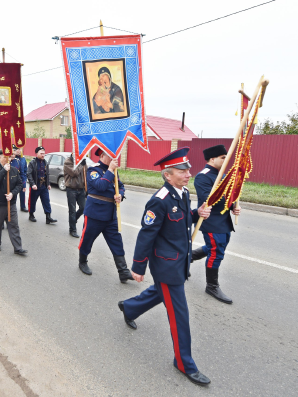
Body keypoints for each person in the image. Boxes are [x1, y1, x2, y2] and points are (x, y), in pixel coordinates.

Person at [118, 147, 212, 386]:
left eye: (188, 169)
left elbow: (181, 218)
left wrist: (197, 212)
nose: (188, 173)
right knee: (180, 315)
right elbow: (146, 235)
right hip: (167, 266)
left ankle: (130, 308)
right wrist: (138, 267)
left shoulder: (181, 193)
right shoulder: (159, 201)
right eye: (182, 170)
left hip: (177, 260)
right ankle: (184, 363)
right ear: (168, 175)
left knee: (160, 294)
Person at [191, 144, 241, 304]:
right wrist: (229, 202)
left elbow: (230, 195)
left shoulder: (223, 175)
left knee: (218, 246)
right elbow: (209, 200)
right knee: (216, 251)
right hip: (211, 220)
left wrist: (234, 206)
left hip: (223, 219)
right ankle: (212, 286)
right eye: (223, 158)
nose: (226, 161)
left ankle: (188, 257)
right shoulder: (203, 176)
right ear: (212, 159)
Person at [77, 149, 132, 282]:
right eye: (111, 156)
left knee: (116, 242)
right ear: (102, 156)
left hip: (110, 215)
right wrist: (110, 170)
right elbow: (100, 186)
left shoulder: (113, 171)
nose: (114, 159)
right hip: (95, 214)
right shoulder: (93, 170)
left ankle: (123, 271)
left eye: (115, 156)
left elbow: (121, 186)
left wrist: (121, 195)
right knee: (87, 240)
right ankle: (82, 261)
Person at [0, 149, 26, 255]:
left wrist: (12, 194)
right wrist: (4, 171)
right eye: (5, 157)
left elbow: (19, 184)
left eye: (9, 157)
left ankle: (18, 247)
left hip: (11, 203)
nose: (7, 159)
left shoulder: (14, 170)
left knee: (14, 225)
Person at [26, 147, 57, 224]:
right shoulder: (32, 163)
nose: (43, 155)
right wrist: (32, 184)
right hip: (35, 186)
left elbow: (47, 174)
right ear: (36, 153)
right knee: (32, 201)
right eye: (41, 153)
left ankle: (48, 217)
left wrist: (48, 184)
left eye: (44, 153)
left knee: (46, 201)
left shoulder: (45, 162)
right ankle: (31, 215)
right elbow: (29, 174)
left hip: (43, 186)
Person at [63, 154, 87, 238]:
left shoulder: (82, 162)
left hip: (81, 189)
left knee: (83, 208)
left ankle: (73, 220)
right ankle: (72, 230)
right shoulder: (68, 162)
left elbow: (85, 174)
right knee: (72, 210)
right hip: (71, 189)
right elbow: (74, 173)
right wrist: (81, 164)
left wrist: (87, 188)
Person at [11, 145, 28, 212]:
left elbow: (25, 170)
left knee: (22, 193)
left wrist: (24, 180)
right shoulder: (10, 159)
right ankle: (13, 208)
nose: (18, 151)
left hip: (21, 179)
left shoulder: (22, 158)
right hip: (13, 180)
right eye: (15, 149)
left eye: (19, 149)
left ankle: (23, 206)